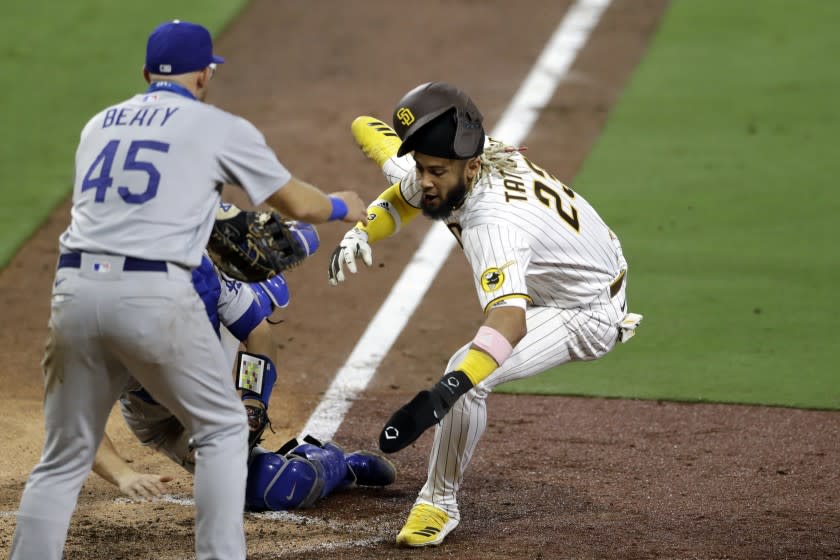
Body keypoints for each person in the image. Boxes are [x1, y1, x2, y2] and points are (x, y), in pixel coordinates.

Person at [10, 20, 366, 560]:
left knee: (61, 458)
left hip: (74, 289)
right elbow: (296, 204)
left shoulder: (97, 125)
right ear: (205, 75)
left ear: (146, 74)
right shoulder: (215, 126)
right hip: (153, 292)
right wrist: (341, 205)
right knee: (222, 429)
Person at [329, 82, 643, 547]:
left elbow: (509, 321)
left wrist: (447, 391)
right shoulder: (464, 158)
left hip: (585, 309)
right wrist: (363, 231)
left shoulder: (491, 224)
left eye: (436, 170)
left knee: (466, 376)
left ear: (471, 166)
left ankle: (438, 503)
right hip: (568, 270)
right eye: (422, 167)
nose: (426, 179)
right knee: (467, 371)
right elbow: (400, 183)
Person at [93, 216, 396, 507]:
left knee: (251, 308)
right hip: (166, 419)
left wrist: (253, 401)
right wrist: (124, 475)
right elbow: (75, 425)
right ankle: (341, 466)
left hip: (207, 390)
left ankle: (339, 465)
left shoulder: (201, 274)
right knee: (278, 485)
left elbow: (257, 331)